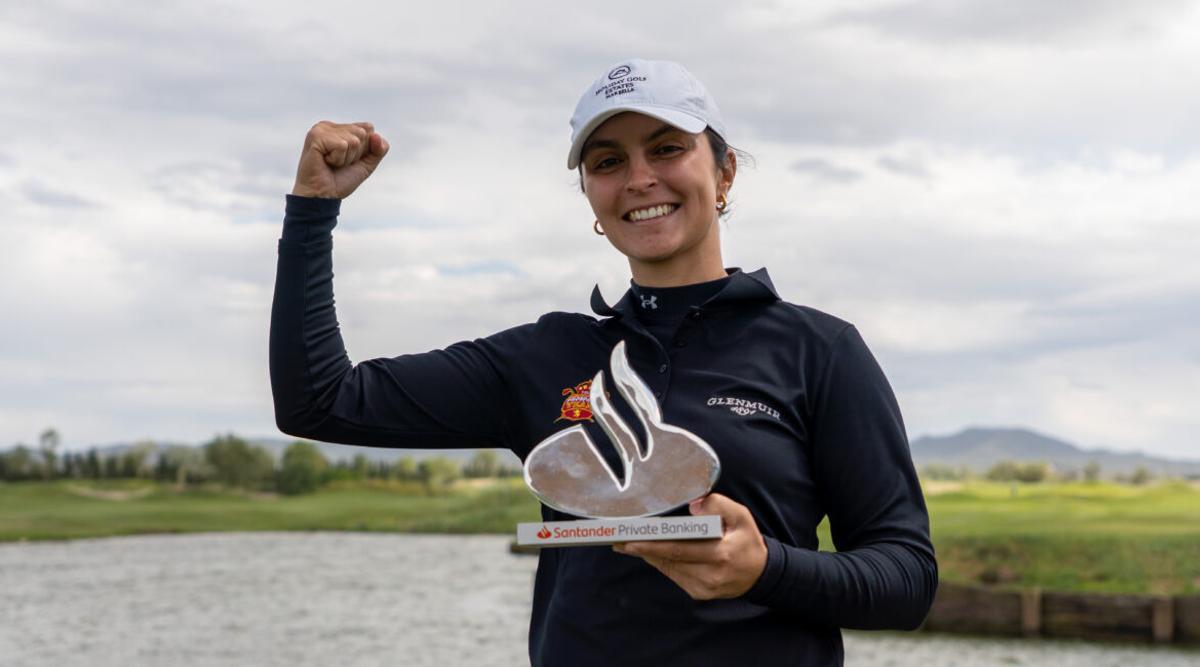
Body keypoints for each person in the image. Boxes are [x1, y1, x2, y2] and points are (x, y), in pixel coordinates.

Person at [271, 58, 937, 666]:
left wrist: (767, 568)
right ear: (590, 193)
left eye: (668, 148)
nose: (640, 177)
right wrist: (312, 212)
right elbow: (321, 399)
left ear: (724, 170)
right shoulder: (544, 355)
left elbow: (906, 578)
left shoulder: (819, 351)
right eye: (608, 160)